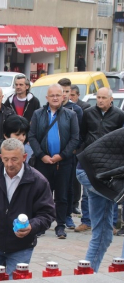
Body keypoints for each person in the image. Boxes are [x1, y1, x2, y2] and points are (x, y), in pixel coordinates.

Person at [0, 138, 55, 282]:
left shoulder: (38, 181)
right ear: (0, 157)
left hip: (21, 245)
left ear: (24, 157)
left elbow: (47, 214)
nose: (9, 164)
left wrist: (32, 226)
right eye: (5, 159)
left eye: (14, 159)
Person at [76, 87, 124, 271]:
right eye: (99, 97)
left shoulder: (118, 116)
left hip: (95, 173)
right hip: (92, 173)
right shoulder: (89, 113)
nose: (100, 100)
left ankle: (88, 271)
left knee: (103, 233)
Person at [29, 84, 79, 239]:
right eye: (52, 95)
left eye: (58, 95)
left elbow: (75, 138)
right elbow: (31, 136)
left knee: (62, 196)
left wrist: (62, 155)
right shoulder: (38, 114)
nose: (56, 98)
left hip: (63, 162)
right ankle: (42, 225)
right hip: (43, 162)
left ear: (63, 96)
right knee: (43, 195)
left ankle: (61, 226)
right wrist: (41, 155)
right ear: (47, 98)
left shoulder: (71, 115)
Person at [58, 78, 83, 231]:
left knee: (68, 187)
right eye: (62, 91)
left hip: (69, 155)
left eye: (67, 92)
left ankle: (67, 214)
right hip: (51, 155)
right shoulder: (48, 109)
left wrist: (72, 149)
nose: (65, 95)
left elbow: (78, 133)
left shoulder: (76, 110)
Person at [69, 84, 90, 217]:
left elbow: (82, 131)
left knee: (76, 180)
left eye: (72, 95)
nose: (70, 97)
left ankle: (75, 204)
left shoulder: (84, 109)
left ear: (78, 95)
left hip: (78, 150)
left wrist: (77, 148)